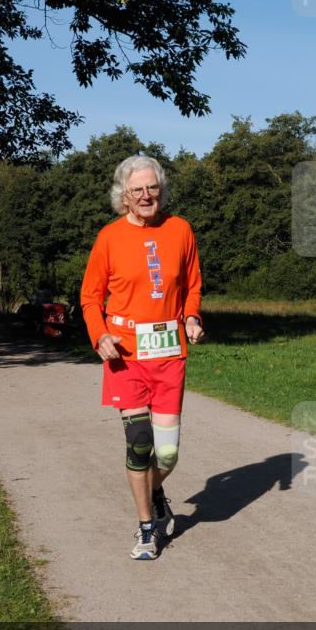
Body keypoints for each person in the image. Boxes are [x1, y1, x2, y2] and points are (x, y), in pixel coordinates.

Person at [80, 155, 205, 560]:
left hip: (169, 355)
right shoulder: (109, 237)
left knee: (167, 453)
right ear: (124, 195)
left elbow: (192, 285)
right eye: (137, 190)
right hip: (126, 357)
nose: (146, 195)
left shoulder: (180, 229)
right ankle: (147, 527)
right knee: (139, 444)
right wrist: (99, 335)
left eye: (152, 188)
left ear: (161, 189)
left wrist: (190, 317)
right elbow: (90, 297)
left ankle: (154, 491)